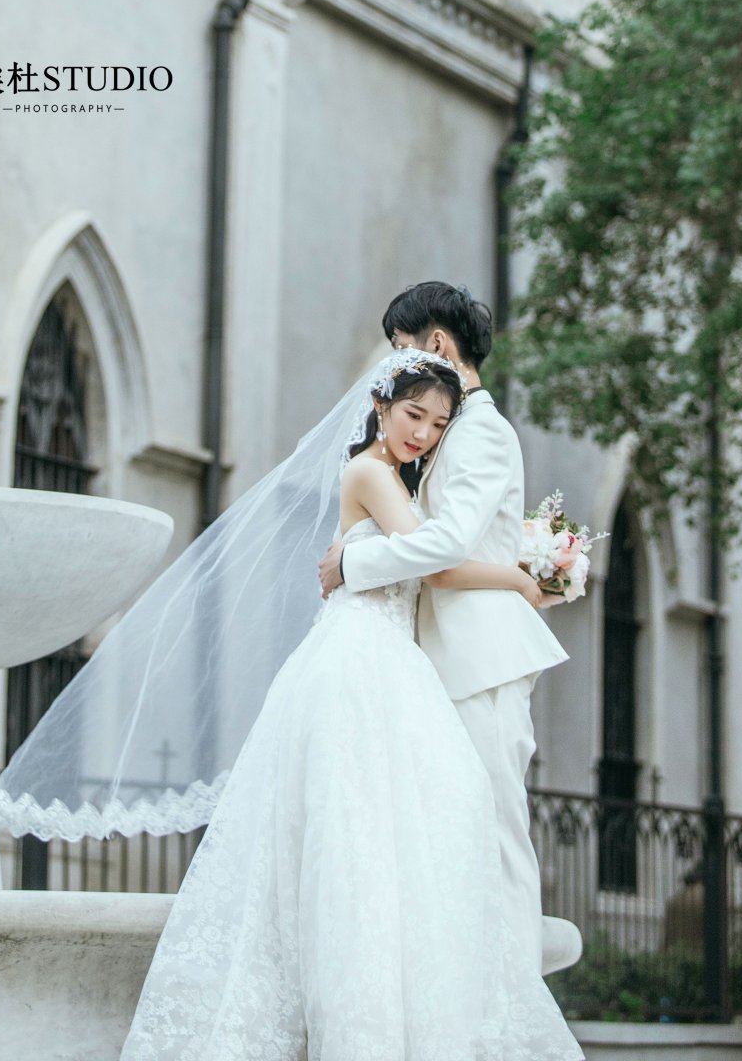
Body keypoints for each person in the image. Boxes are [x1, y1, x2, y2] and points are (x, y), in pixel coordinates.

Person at [117, 348, 583, 1060]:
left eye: (437, 424)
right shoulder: (370, 472)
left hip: (389, 657)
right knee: (358, 837)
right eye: (413, 415)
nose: (423, 433)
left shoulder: (397, 477)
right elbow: (438, 559)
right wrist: (521, 580)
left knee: (406, 829)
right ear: (380, 407)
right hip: (360, 659)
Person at [317, 281, 580, 977]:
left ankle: (514, 1008)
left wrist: (353, 563)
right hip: (438, 662)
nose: (394, 362)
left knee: (496, 833)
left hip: (480, 661)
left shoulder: (480, 430)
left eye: (400, 346)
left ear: (435, 343)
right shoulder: (442, 435)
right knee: (451, 838)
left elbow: (447, 545)